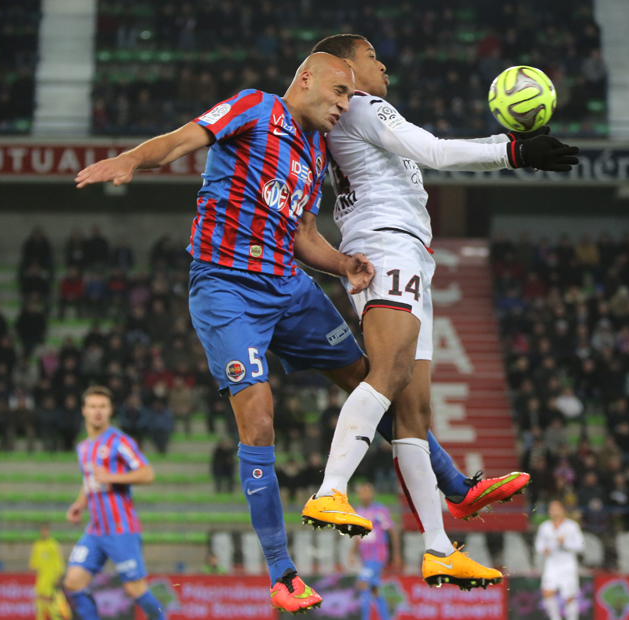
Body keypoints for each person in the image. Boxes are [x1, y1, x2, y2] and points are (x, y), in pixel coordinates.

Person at [75, 52, 365, 614]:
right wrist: (132, 158)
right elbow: (182, 140)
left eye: (350, 97)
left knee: (368, 380)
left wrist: (342, 265)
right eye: (339, 91)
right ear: (305, 79)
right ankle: (282, 574)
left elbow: (303, 232)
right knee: (259, 420)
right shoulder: (254, 108)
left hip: (288, 285)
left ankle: (453, 485)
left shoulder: (314, 150)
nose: (344, 105)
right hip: (226, 286)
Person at [302, 34, 576, 589]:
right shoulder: (362, 106)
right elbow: (433, 151)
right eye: (373, 57)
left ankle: (437, 547)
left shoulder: (350, 118)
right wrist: (513, 153)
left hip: (404, 249)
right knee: (388, 376)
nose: (384, 66)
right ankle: (331, 489)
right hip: (387, 244)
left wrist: (511, 147)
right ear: (345, 67)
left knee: (414, 412)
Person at [62, 386, 166, 620]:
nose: (98, 411)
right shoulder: (83, 447)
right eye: (93, 406)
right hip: (96, 529)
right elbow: (90, 480)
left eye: (103, 406)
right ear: (84, 410)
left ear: (110, 410)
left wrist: (111, 477)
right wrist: (79, 504)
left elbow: (147, 473)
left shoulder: (119, 442)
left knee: (135, 589)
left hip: (121, 527)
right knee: (73, 582)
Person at [349, 482, 400, 620]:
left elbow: (392, 531)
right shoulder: (358, 512)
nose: (364, 495)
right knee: (374, 590)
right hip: (365, 557)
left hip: (378, 555)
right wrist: (352, 553)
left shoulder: (379, 510)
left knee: (362, 583)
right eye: (362, 492)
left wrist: (396, 554)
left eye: (367, 492)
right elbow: (357, 536)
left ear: (372, 494)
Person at [536, 500, 585, 620]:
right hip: (551, 563)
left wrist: (565, 543)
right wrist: (544, 550)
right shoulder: (545, 527)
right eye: (552, 509)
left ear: (562, 510)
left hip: (568, 564)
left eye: (556, 509)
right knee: (547, 592)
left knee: (569, 596)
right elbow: (539, 545)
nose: (554, 512)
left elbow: (580, 546)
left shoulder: (572, 526)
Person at [29, 524, 70, 620]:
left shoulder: (53, 544)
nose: (44, 533)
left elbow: (58, 560)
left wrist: (58, 575)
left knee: (50, 600)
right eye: (43, 531)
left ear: (49, 532)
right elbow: (34, 561)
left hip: (51, 577)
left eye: (46, 531)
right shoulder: (38, 544)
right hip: (41, 577)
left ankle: (56, 617)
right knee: (39, 600)